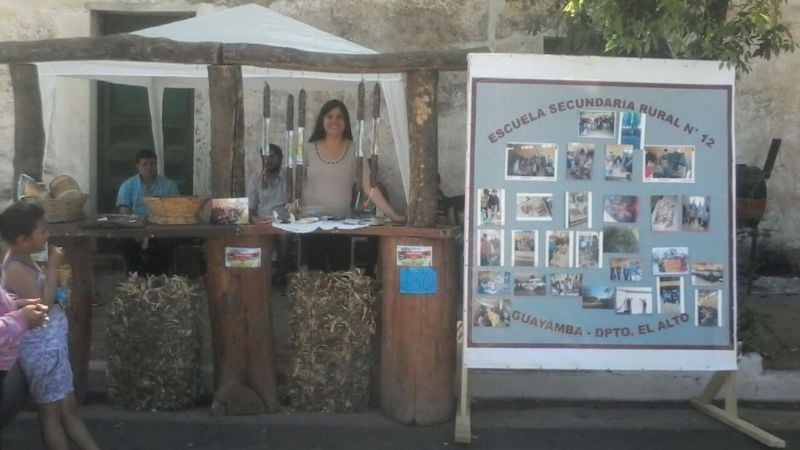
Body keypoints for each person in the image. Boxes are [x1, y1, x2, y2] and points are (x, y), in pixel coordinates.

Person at [0, 202, 100, 450]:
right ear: (23, 239)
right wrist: (54, 269)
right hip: (41, 349)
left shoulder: (27, 257)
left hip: (51, 346)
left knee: (68, 409)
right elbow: (41, 309)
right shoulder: (15, 267)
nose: (47, 235)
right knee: (52, 413)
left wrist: (54, 277)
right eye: (42, 231)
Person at [301, 99, 403, 272]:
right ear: (322, 120)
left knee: (340, 274)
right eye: (329, 116)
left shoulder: (355, 150)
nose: (334, 121)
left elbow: (369, 186)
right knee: (314, 274)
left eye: (339, 117)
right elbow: (294, 183)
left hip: (341, 224)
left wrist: (393, 214)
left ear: (346, 122)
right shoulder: (307, 149)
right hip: (311, 224)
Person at [115, 149, 180, 275]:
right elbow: (123, 211)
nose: (149, 168)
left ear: (156, 165)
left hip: (161, 228)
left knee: (167, 242)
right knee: (123, 242)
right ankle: (138, 275)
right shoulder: (127, 186)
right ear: (137, 166)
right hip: (134, 228)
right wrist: (135, 231)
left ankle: (155, 276)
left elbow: (174, 212)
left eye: (152, 164)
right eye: (144, 164)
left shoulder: (169, 186)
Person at [247, 144, 293, 283]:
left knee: (285, 236)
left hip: (283, 221)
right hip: (262, 221)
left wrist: (284, 218)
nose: (267, 160)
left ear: (280, 159)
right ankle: (258, 277)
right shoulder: (256, 178)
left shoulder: (289, 178)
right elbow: (250, 207)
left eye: (272, 157)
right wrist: (254, 220)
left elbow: (293, 206)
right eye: (264, 157)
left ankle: (282, 275)